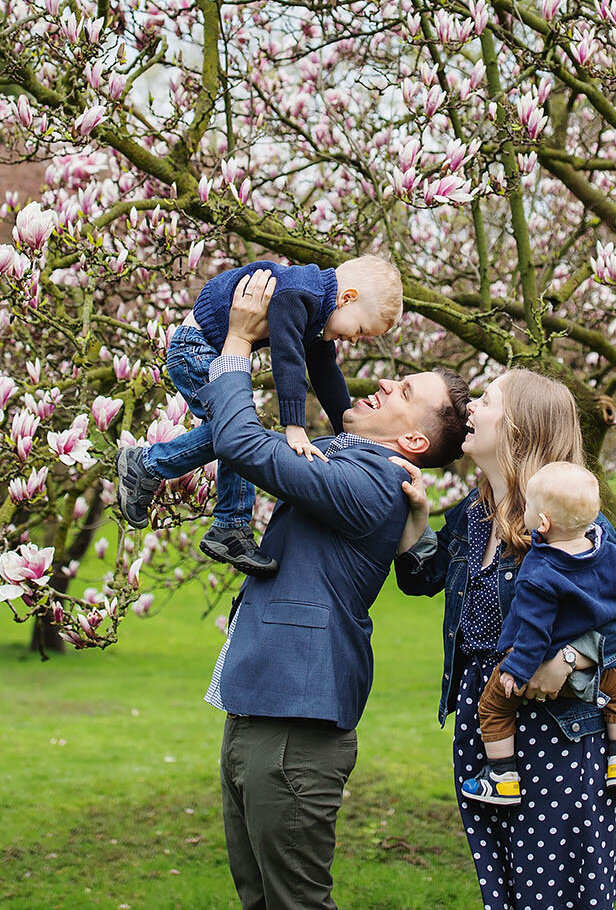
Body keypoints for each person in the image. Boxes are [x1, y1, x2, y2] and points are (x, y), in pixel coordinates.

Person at [168, 270, 467, 910]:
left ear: (412, 439)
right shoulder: (356, 465)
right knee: (262, 899)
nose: (385, 381)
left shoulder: (371, 481)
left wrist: (238, 345)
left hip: (295, 723)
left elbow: (243, 443)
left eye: (404, 390)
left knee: (295, 902)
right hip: (264, 704)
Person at [395, 370, 616, 909]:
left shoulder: (570, 526)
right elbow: (420, 578)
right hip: (486, 721)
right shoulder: (475, 515)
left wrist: (569, 657)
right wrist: (418, 518)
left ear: (519, 429)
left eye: (486, 399)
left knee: (553, 890)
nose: (470, 407)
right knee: (508, 887)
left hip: (555, 732)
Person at [115, 254, 402, 575]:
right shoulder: (300, 294)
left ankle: (227, 522)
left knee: (235, 431)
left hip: (209, 350)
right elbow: (287, 359)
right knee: (235, 431)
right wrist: (294, 425)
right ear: (347, 299)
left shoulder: (319, 312)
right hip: (195, 348)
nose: (354, 339)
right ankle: (153, 467)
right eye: (361, 329)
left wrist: (348, 434)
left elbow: (326, 374)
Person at [460, 460, 616, 806]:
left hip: (539, 667)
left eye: (527, 507)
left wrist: (519, 669)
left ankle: (502, 777)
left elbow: (534, 630)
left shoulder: (538, 571)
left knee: (494, 707)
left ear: (542, 522)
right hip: (592, 670)